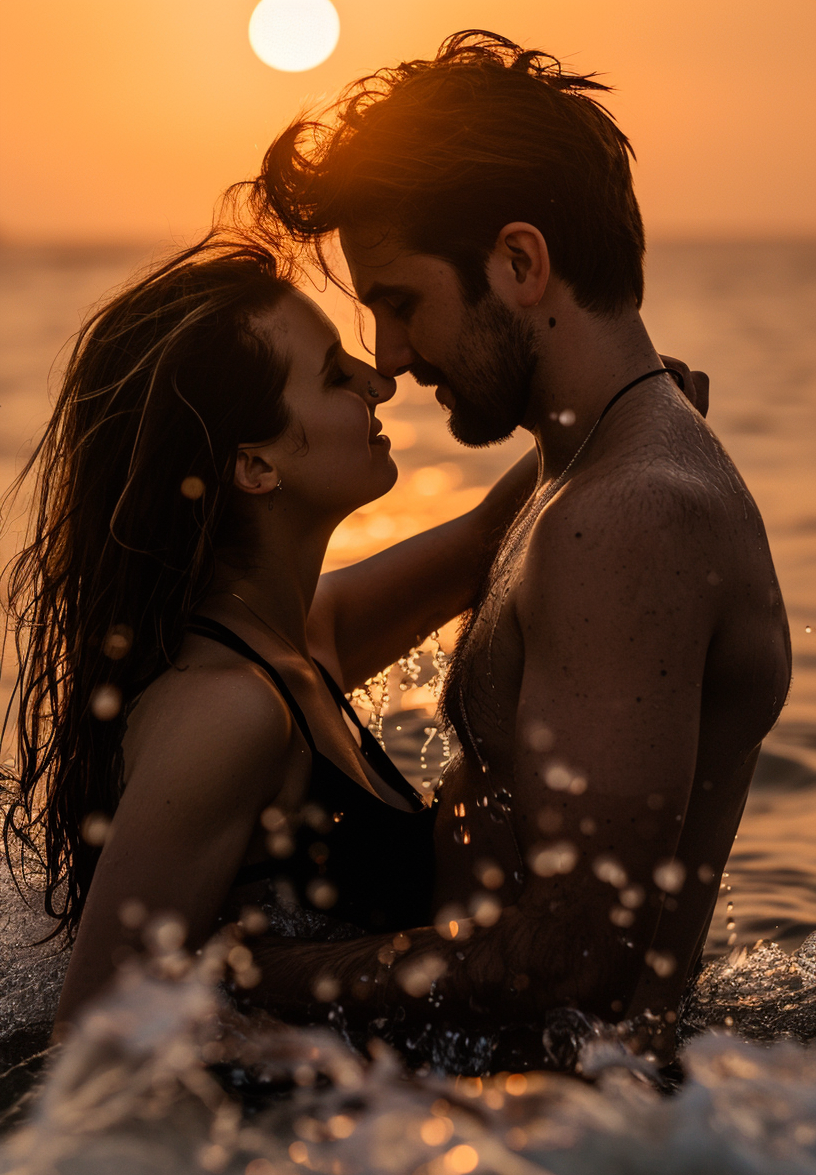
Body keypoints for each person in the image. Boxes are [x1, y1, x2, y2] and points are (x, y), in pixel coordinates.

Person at [237, 31, 790, 1057]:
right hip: (506, 1097)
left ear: (521, 261)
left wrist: (254, 977)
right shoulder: (578, 475)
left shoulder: (625, 518)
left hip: (557, 1129)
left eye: (400, 304)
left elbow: (575, 958)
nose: (390, 359)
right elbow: (303, 640)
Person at [1, 233, 542, 1030]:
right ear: (255, 467)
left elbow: (484, 542)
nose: (378, 381)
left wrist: (621, 405)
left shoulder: (296, 640)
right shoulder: (230, 708)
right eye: (333, 376)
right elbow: (96, 1036)